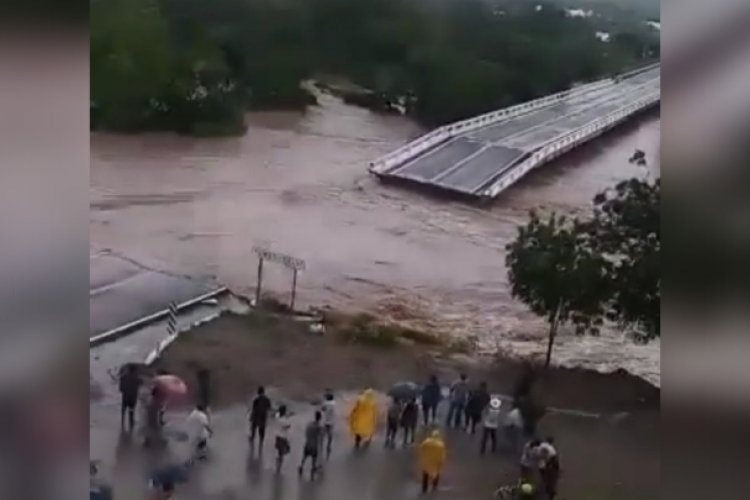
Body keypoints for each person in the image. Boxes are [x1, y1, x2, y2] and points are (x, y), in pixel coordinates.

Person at [419, 430, 447, 494]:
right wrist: (441, 462)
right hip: (435, 462)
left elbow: (422, 448)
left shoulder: (427, 442)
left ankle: (424, 488)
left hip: (427, 461)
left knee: (425, 475)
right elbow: (442, 455)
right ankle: (434, 485)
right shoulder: (441, 445)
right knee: (436, 473)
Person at [299, 410, 324, 479]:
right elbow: (321, 435)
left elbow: (306, 432)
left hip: (307, 443)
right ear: (320, 418)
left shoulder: (309, 424)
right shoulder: (318, 427)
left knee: (305, 456)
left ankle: (301, 466)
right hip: (314, 444)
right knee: (314, 458)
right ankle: (312, 470)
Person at [118, 363, 141, 432]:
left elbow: (120, 389)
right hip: (133, 397)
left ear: (128, 369)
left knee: (123, 409)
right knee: (131, 410)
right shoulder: (137, 378)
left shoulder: (123, 377)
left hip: (125, 397)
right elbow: (139, 386)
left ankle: (122, 422)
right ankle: (131, 424)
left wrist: (125, 391)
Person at [249, 386, 272, 450]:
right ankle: (261, 442)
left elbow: (254, 409)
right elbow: (269, 408)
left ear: (258, 392)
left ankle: (252, 438)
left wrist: (251, 417)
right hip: (263, 417)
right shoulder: (267, 400)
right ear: (263, 392)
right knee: (262, 430)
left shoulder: (256, 400)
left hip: (256, 416)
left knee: (254, 428)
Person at [274, 405, 292, 472]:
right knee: (285, 451)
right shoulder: (283, 420)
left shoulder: (277, 416)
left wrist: (287, 416)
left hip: (277, 436)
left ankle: (278, 463)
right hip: (283, 437)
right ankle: (278, 466)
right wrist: (288, 417)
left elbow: (278, 414)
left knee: (280, 451)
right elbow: (288, 426)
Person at [321, 390, 336, 457]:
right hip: (331, 421)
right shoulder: (334, 403)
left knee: (323, 433)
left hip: (325, 421)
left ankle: (321, 445)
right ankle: (329, 446)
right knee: (330, 435)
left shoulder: (326, 403)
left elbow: (323, 409)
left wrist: (323, 402)